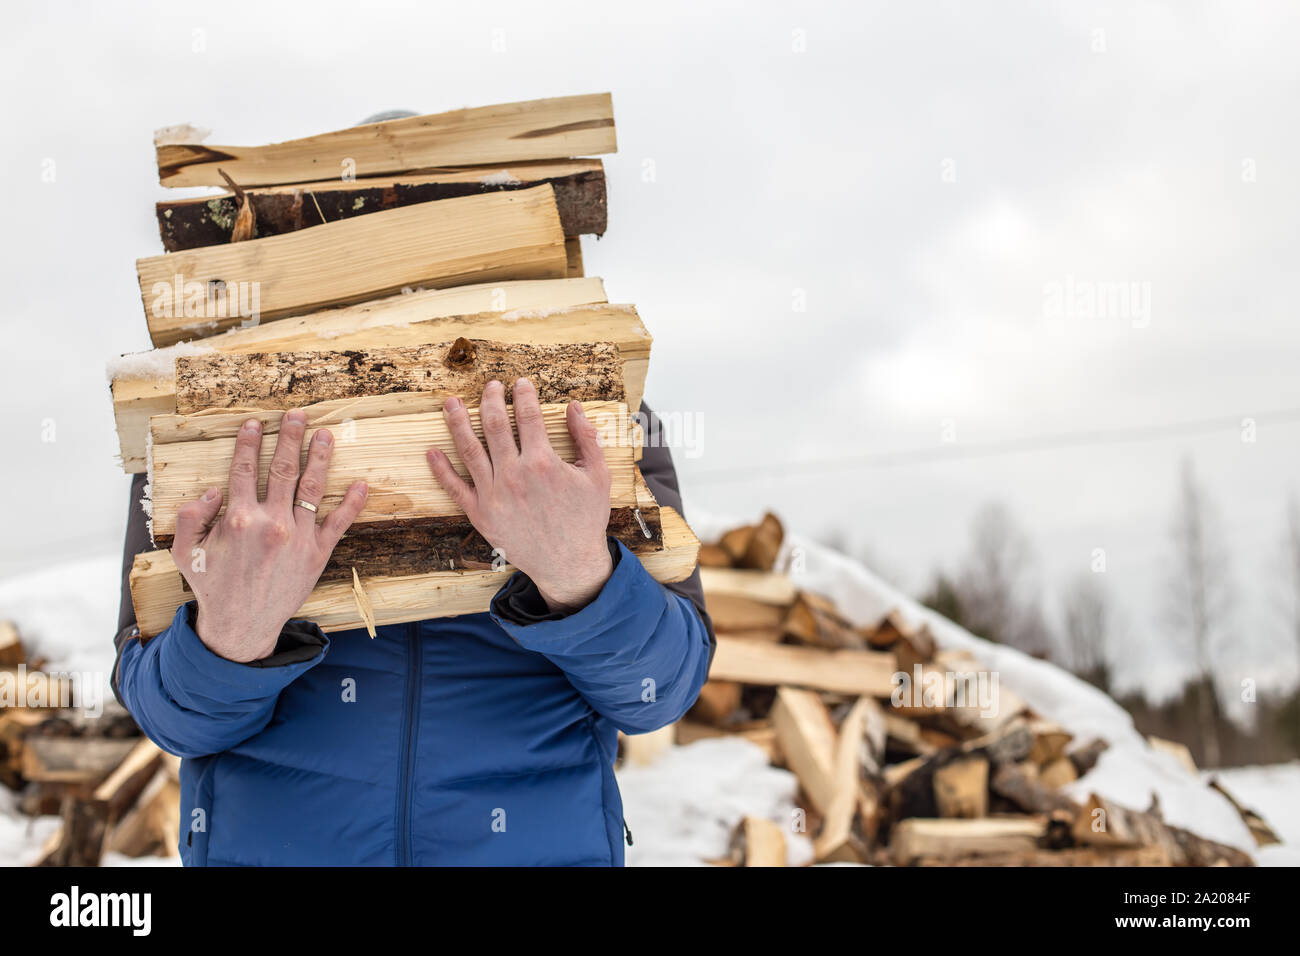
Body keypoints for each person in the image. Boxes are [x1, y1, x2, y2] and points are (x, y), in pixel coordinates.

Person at [112, 379, 714, 865]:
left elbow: (657, 694)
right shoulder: (208, 424)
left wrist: (579, 573)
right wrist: (231, 636)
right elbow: (170, 718)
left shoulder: (586, 404)